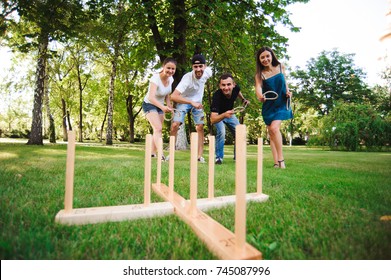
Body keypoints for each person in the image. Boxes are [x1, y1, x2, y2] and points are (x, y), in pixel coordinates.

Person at [255, 46, 293, 169]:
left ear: (272, 56)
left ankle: (281, 160)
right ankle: (276, 162)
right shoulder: (260, 74)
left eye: (267, 56)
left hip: (282, 103)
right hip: (269, 105)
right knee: (271, 132)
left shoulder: (281, 67)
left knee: (274, 128)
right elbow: (258, 87)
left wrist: (288, 92)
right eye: (262, 57)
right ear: (259, 60)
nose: (265, 59)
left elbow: (285, 83)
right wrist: (260, 95)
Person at [170, 54, 213, 163]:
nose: (198, 69)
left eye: (201, 66)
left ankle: (199, 156)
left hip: (197, 103)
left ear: (205, 66)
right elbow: (174, 96)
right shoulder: (187, 78)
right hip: (184, 101)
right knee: (175, 125)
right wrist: (191, 102)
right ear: (192, 67)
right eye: (195, 67)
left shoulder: (208, 72)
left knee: (200, 127)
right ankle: (171, 154)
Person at [142, 57, 177, 160]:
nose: (170, 71)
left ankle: (152, 153)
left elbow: (166, 94)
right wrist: (163, 107)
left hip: (161, 105)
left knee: (157, 130)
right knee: (158, 128)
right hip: (149, 104)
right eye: (168, 68)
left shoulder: (171, 79)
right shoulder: (155, 78)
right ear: (163, 67)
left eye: (173, 69)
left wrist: (169, 105)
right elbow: (151, 97)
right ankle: (160, 155)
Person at [210, 73, 249, 165]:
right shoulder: (217, 96)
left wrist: (243, 99)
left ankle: (238, 157)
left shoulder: (236, 89)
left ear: (233, 84)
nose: (226, 88)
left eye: (228, 84)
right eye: (223, 85)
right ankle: (219, 158)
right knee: (222, 132)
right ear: (220, 86)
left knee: (240, 132)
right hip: (219, 115)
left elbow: (238, 92)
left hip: (230, 114)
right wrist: (224, 115)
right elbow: (213, 119)